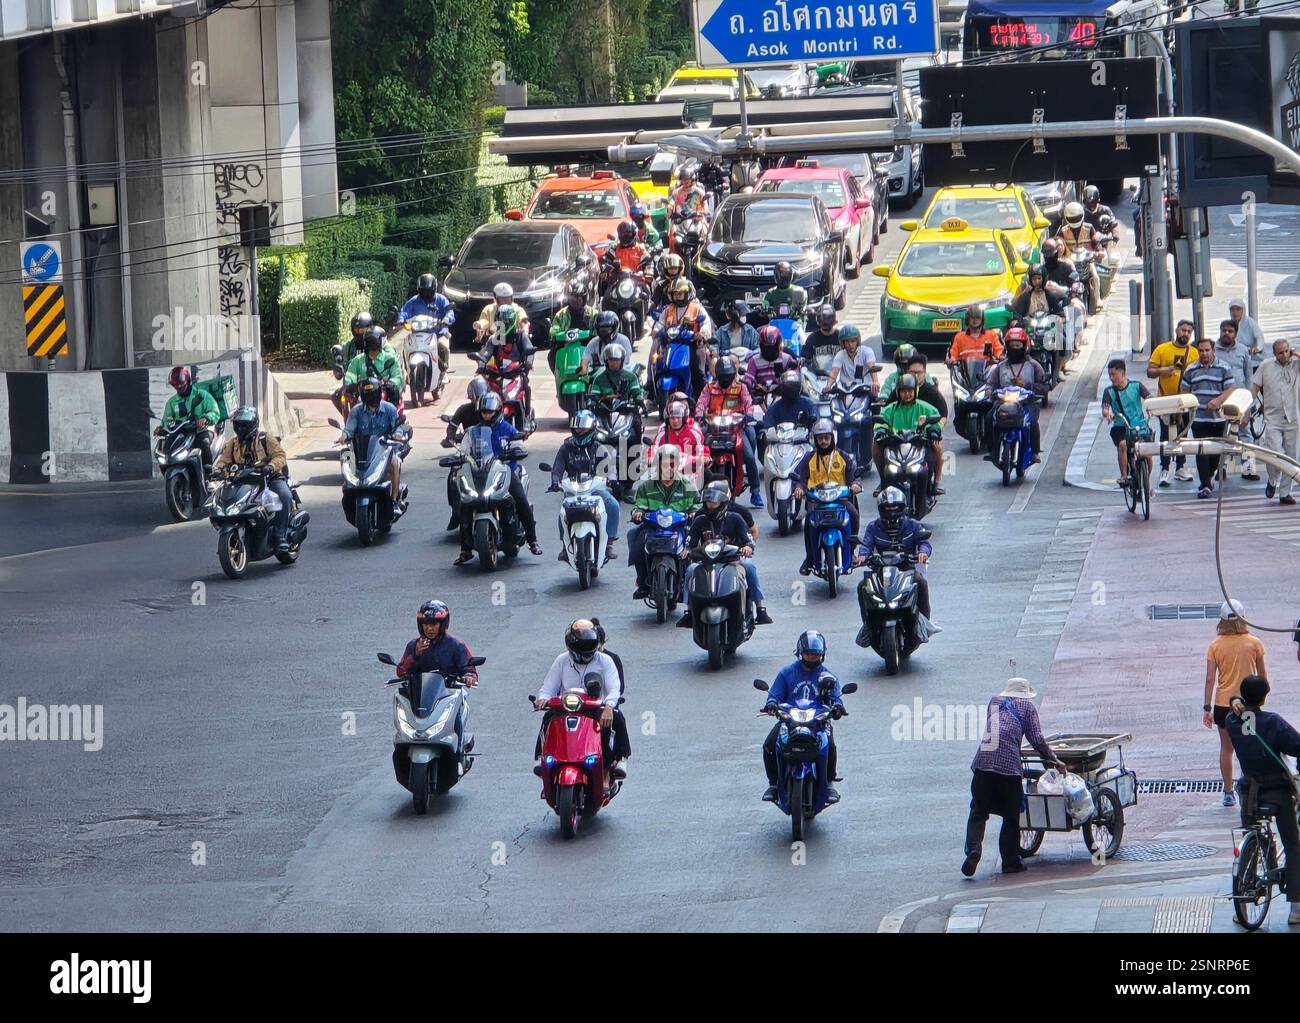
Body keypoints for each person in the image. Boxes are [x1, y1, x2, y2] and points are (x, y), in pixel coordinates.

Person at [962, 676, 1065, 877]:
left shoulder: (995, 702)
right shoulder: (1027, 708)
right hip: (1008, 769)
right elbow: (1037, 739)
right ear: (1025, 694)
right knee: (1011, 817)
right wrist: (1054, 760)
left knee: (978, 811)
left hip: (983, 764)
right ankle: (1010, 862)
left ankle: (973, 851)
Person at [1226, 675, 1300, 925]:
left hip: (1249, 793)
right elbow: (1296, 746)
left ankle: (1243, 900)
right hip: (1277, 793)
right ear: (1265, 696)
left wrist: (1234, 700)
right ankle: (1296, 908)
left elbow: (1231, 706)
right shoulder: (1273, 722)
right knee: (1292, 843)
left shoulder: (1232, 720)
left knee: (1252, 832)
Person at [454, 392, 541, 564]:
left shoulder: (507, 429)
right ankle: (465, 549)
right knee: (464, 504)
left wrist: (516, 451)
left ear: (498, 411)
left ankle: (533, 540)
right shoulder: (473, 432)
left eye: (490, 412)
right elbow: (463, 451)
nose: (487, 415)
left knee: (521, 501)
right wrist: (459, 458)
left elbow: (519, 445)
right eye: (484, 412)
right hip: (480, 473)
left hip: (505, 472)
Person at [760, 631, 845, 804]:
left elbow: (837, 697)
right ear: (800, 653)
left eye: (816, 655)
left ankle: (828, 784)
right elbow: (774, 695)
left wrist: (838, 707)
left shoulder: (827, 676)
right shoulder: (787, 673)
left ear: (822, 655)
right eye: (808, 654)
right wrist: (771, 704)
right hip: (789, 722)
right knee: (769, 745)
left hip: (818, 724)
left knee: (830, 745)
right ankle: (774, 784)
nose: (812, 658)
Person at [533, 621, 627, 776]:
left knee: (617, 718)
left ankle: (620, 758)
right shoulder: (561, 661)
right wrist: (543, 699)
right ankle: (539, 757)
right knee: (548, 717)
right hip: (566, 709)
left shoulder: (605, 661)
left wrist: (609, 706)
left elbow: (614, 688)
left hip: (596, 709)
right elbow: (548, 687)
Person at [678, 480, 773, 627]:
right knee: (690, 570)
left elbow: (748, 540)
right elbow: (690, 542)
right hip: (707, 561)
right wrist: (687, 551)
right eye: (708, 500)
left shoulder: (735, 518)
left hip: (733, 560)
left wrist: (747, 548)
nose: (710, 504)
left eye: (714, 501)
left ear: (722, 501)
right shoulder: (700, 519)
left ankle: (760, 609)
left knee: (749, 566)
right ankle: (689, 612)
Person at [1204, 599, 1268, 807]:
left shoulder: (1215, 646)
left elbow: (1210, 679)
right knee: (1249, 746)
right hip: (1248, 703)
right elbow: (1262, 676)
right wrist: (1261, 700)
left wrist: (1207, 707)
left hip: (1223, 705)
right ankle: (1250, 786)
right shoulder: (1254, 643)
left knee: (1226, 747)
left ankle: (1228, 792)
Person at [852, 486, 938, 626]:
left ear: (903, 507)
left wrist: (922, 553)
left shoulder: (913, 525)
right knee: (862, 586)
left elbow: (924, 543)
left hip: (906, 569)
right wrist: (862, 557)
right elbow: (866, 545)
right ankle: (867, 627)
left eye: (895, 507)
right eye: (887, 508)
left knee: (921, 582)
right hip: (881, 570)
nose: (891, 511)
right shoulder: (873, 527)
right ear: (881, 508)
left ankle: (925, 623)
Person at [213, 406, 293, 553]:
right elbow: (222, 461)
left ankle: (281, 535)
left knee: (284, 496)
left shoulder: (265, 439)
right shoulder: (232, 443)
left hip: (269, 479)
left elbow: (280, 455)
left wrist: (270, 467)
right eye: (238, 425)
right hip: (244, 481)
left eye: (245, 425)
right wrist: (216, 471)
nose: (241, 428)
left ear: (253, 424)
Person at [628, 445, 702, 599]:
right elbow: (639, 505)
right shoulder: (646, 486)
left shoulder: (688, 484)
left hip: (680, 528)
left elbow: (698, 504)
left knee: (697, 544)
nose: (668, 468)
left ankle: (693, 582)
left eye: (672, 464)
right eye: (664, 464)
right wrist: (638, 513)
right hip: (653, 529)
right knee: (632, 535)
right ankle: (642, 580)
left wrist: (694, 512)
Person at [548, 410, 619, 563]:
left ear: (592, 428)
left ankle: (609, 543)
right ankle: (564, 546)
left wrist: (611, 478)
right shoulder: (566, 447)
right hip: (573, 490)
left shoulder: (599, 448)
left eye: (583, 428)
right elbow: (557, 469)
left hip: (596, 490)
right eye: (577, 428)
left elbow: (609, 468)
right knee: (562, 514)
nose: (580, 431)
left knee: (613, 505)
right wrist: (555, 482)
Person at [396, 600, 479, 733]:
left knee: (455, 726)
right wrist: (416, 655)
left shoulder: (456, 645)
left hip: (448, 696)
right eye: (426, 624)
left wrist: (468, 676)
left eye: (434, 624)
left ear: (442, 624)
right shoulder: (413, 646)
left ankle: (457, 748)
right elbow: (401, 671)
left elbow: (469, 668)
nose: (429, 628)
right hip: (420, 700)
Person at [794, 418, 861, 575]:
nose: (823, 441)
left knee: (853, 514)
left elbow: (854, 477)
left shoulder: (844, 457)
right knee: (809, 521)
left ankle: (851, 551)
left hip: (840, 500)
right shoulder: (808, 458)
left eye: (826, 438)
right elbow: (800, 479)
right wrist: (799, 488)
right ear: (815, 440)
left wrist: (855, 485)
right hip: (816, 502)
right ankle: (810, 558)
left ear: (833, 437)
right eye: (820, 438)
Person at [695, 354, 762, 506]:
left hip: (736, 429)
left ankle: (756, 491)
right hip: (714, 429)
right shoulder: (709, 388)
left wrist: (749, 416)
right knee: (698, 451)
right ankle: (696, 489)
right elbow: (701, 403)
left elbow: (748, 404)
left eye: (729, 376)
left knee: (750, 457)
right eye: (723, 377)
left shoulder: (740, 387)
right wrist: (699, 416)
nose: (726, 379)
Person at [1180, 337, 1238, 499]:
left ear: (1213, 350)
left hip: (1218, 418)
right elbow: (1184, 390)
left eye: (1207, 350)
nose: (1204, 353)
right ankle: (1205, 484)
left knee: (1216, 451)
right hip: (1198, 419)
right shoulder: (1191, 370)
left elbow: (1230, 389)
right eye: (1201, 350)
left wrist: (1218, 401)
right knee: (1201, 451)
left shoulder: (1223, 368)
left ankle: (1211, 473)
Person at [336, 377, 406, 508]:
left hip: (383, 449)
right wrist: (343, 436)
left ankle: (394, 500)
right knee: (345, 460)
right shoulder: (356, 411)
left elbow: (398, 426)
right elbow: (349, 429)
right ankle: (349, 496)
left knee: (394, 462)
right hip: (363, 451)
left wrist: (397, 434)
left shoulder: (389, 409)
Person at [1147, 320, 1199, 486]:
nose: (1185, 334)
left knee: (1182, 434)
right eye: (1183, 330)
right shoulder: (1162, 349)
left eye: (1188, 331)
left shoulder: (1194, 353)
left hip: (1185, 401)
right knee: (1165, 434)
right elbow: (1150, 371)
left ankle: (1180, 467)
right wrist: (1164, 370)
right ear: (1176, 330)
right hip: (1165, 400)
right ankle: (1165, 468)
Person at [875, 373, 945, 495]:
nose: (907, 395)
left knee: (937, 446)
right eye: (903, 391)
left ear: (915, 391)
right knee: (875, 444)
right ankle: (883, 480)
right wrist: (881, 430)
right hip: (895, 444)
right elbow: (881, 421)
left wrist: (934, 430)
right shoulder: (890, 409)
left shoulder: (925, 408)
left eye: (910, 391)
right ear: (898, 392)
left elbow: (937, 419)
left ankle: (937, 481)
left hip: (919, 444)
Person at [984, 328, 1046, 461]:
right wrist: (990, 394)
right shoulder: (1000, 367)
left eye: (1018, 345)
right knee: (989, 418)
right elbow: (990, 384)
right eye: (1012, 345)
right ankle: (992, 449)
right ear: (1007, 346)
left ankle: (1035, 452)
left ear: (1024, 346)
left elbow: (1043, 386)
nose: (1015, 348)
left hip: (1026, 403)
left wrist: (1027, 386)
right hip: (1003, 402)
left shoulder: (1034, 366)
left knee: (1033, 423)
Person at [1252, 338, 1300, 504]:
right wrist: (1246, 408)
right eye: (1281, 352)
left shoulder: (1296, 365)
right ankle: (1272, 480)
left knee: (1292, 457)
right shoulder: (1266, 365)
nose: (1285, 355)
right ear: (1274, 354)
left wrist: (1295, 354)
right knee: (1274, 453)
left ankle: (1285, 492)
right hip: (1272, 418)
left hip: (1293, 417)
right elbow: (1255, 386)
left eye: (1287, 351)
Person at [441, 377, 492, 529]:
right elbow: (451, 428)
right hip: (468, 453)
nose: (485, 413)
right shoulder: (463, 410)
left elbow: (503, 429)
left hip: (490, 455)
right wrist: (450, 438)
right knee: (453, 476)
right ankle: (456, 511)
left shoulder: (494, 409)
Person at [1216, 318, 1259, 481]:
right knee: (1223, 435)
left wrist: (1249, 403)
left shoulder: (1243, 350)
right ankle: (1222, 468)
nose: (1226, 333)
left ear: (1235, 333)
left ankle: (1248, 467)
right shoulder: (1213, 349)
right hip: (1221, 399)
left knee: (1245, 433)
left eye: (1230, 331)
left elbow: (1249, 377)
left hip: (1240, 399)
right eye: (1224, 330)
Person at [1100, 358, 1153, 486]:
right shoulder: (1109, 391)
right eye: (1110, 375)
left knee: (1148, 452)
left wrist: (1152, 406)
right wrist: (1108, 414)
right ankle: (1124, 475)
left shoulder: (1136, 385)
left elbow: (1149, 398)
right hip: (1121, 427)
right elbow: (1105, 409)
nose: (1112, 378)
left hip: (1139, 426)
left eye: (1114, 374)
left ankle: (1147, 482)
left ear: (1123, 373)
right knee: (1123, 445)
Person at [158, 366, 221, 469]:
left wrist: (205, 419)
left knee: (204, 444)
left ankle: (209, 473)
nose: (179, 388)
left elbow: (215, 412)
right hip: (181, 432)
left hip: (200, 430)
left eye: (181, 385)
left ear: (188, 381)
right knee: (166, 449)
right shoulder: (172, 402)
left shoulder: (202, 395)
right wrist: (162, 428)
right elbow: (167, 420)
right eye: (176, 386)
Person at [479, 305, 535, 417]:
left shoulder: (520, 336)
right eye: (500, 321)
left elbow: (530, 351)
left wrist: (528, 363)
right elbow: (486, 354)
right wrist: (481, 364)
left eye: (506, 321)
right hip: (497, 375)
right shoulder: (494, 338)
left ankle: (527, 415)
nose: (503, 324)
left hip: (516, 373)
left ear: (512, 320)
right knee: (482, 392)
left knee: (527, 387)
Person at [395, 273, 456, 375]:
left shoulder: (441, 299)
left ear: (434, 288)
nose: (426, 293)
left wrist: (446, 320)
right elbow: (404, 311)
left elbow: (449, 311)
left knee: (444, 347)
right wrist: (401, 319)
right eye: (423, 290)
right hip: (418, 334)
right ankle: (407, 371)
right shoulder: (414, 301)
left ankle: (443, 372)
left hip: (438, 333)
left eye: (428, 290)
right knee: (406, 347)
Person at [647, 399, 707, 484]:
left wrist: (705, 457)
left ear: (684, 418)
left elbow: (703, 448)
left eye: (678, 417)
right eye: (672, 418)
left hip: (690, 473)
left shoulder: (694, 433)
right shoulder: (662, 434)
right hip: (668, 473)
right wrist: (651, 457)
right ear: (668, 419)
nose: (675, 421)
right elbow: (654, 447)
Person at [549, 280, 600, 373]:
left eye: (578, 299)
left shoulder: (594, 314)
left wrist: (593, 335)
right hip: (566, 346)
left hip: (588, 347)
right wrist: (556, 333)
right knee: (552, 355)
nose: (575, 301)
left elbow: (599, 330)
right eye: (572, 298)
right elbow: (554, 330)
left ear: (584, 299)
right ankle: (560, 377)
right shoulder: (561, 314)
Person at [344, 328, 404, 405]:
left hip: (385, 395)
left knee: (392, 408)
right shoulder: (358, 360)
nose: (371, 345)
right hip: (364, 395)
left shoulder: (390, 359)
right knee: (352, 413)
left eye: (373, 342)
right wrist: (349, 386)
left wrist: (391, 383)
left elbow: (398, 376)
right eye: (369, 342)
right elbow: (350, 375)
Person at [744, 325, 799, 403]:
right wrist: (754, 386)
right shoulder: (754, 360)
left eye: (772, 347)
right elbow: (748, 378)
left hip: (782, 397)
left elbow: (794, 377)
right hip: (759, 399)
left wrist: (783, 386)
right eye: (766, 347)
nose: (769, 350)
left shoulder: (787, 359)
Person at [826, 324, 879, 391]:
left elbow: (871, 366)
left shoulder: (867, 351)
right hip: (845, 390)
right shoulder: (840, 355)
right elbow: (834, 371)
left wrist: (875, 381)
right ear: (843, 343)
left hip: (865, 389)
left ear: (857, 341)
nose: (850, 345)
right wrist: (828, 386)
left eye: (853, 341)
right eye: (847, 341)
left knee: (876, 398)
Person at [581, 310, 633, 376]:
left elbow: (626, 362)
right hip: (599, 377)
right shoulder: (594, 342)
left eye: (607, 329)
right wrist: (584, 369)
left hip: (620, 374)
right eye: (601, 329)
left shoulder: (624, 340)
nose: (604, 332)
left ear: (615, 327)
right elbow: (585, 357)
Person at [904, 352, 949, 424]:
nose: (916, 375)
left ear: (924, 372)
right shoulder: (899, 391)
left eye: (918, 372)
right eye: (912, 372)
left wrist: (936, 428)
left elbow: (943, 416)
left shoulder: (933, 393)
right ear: (907, 372)